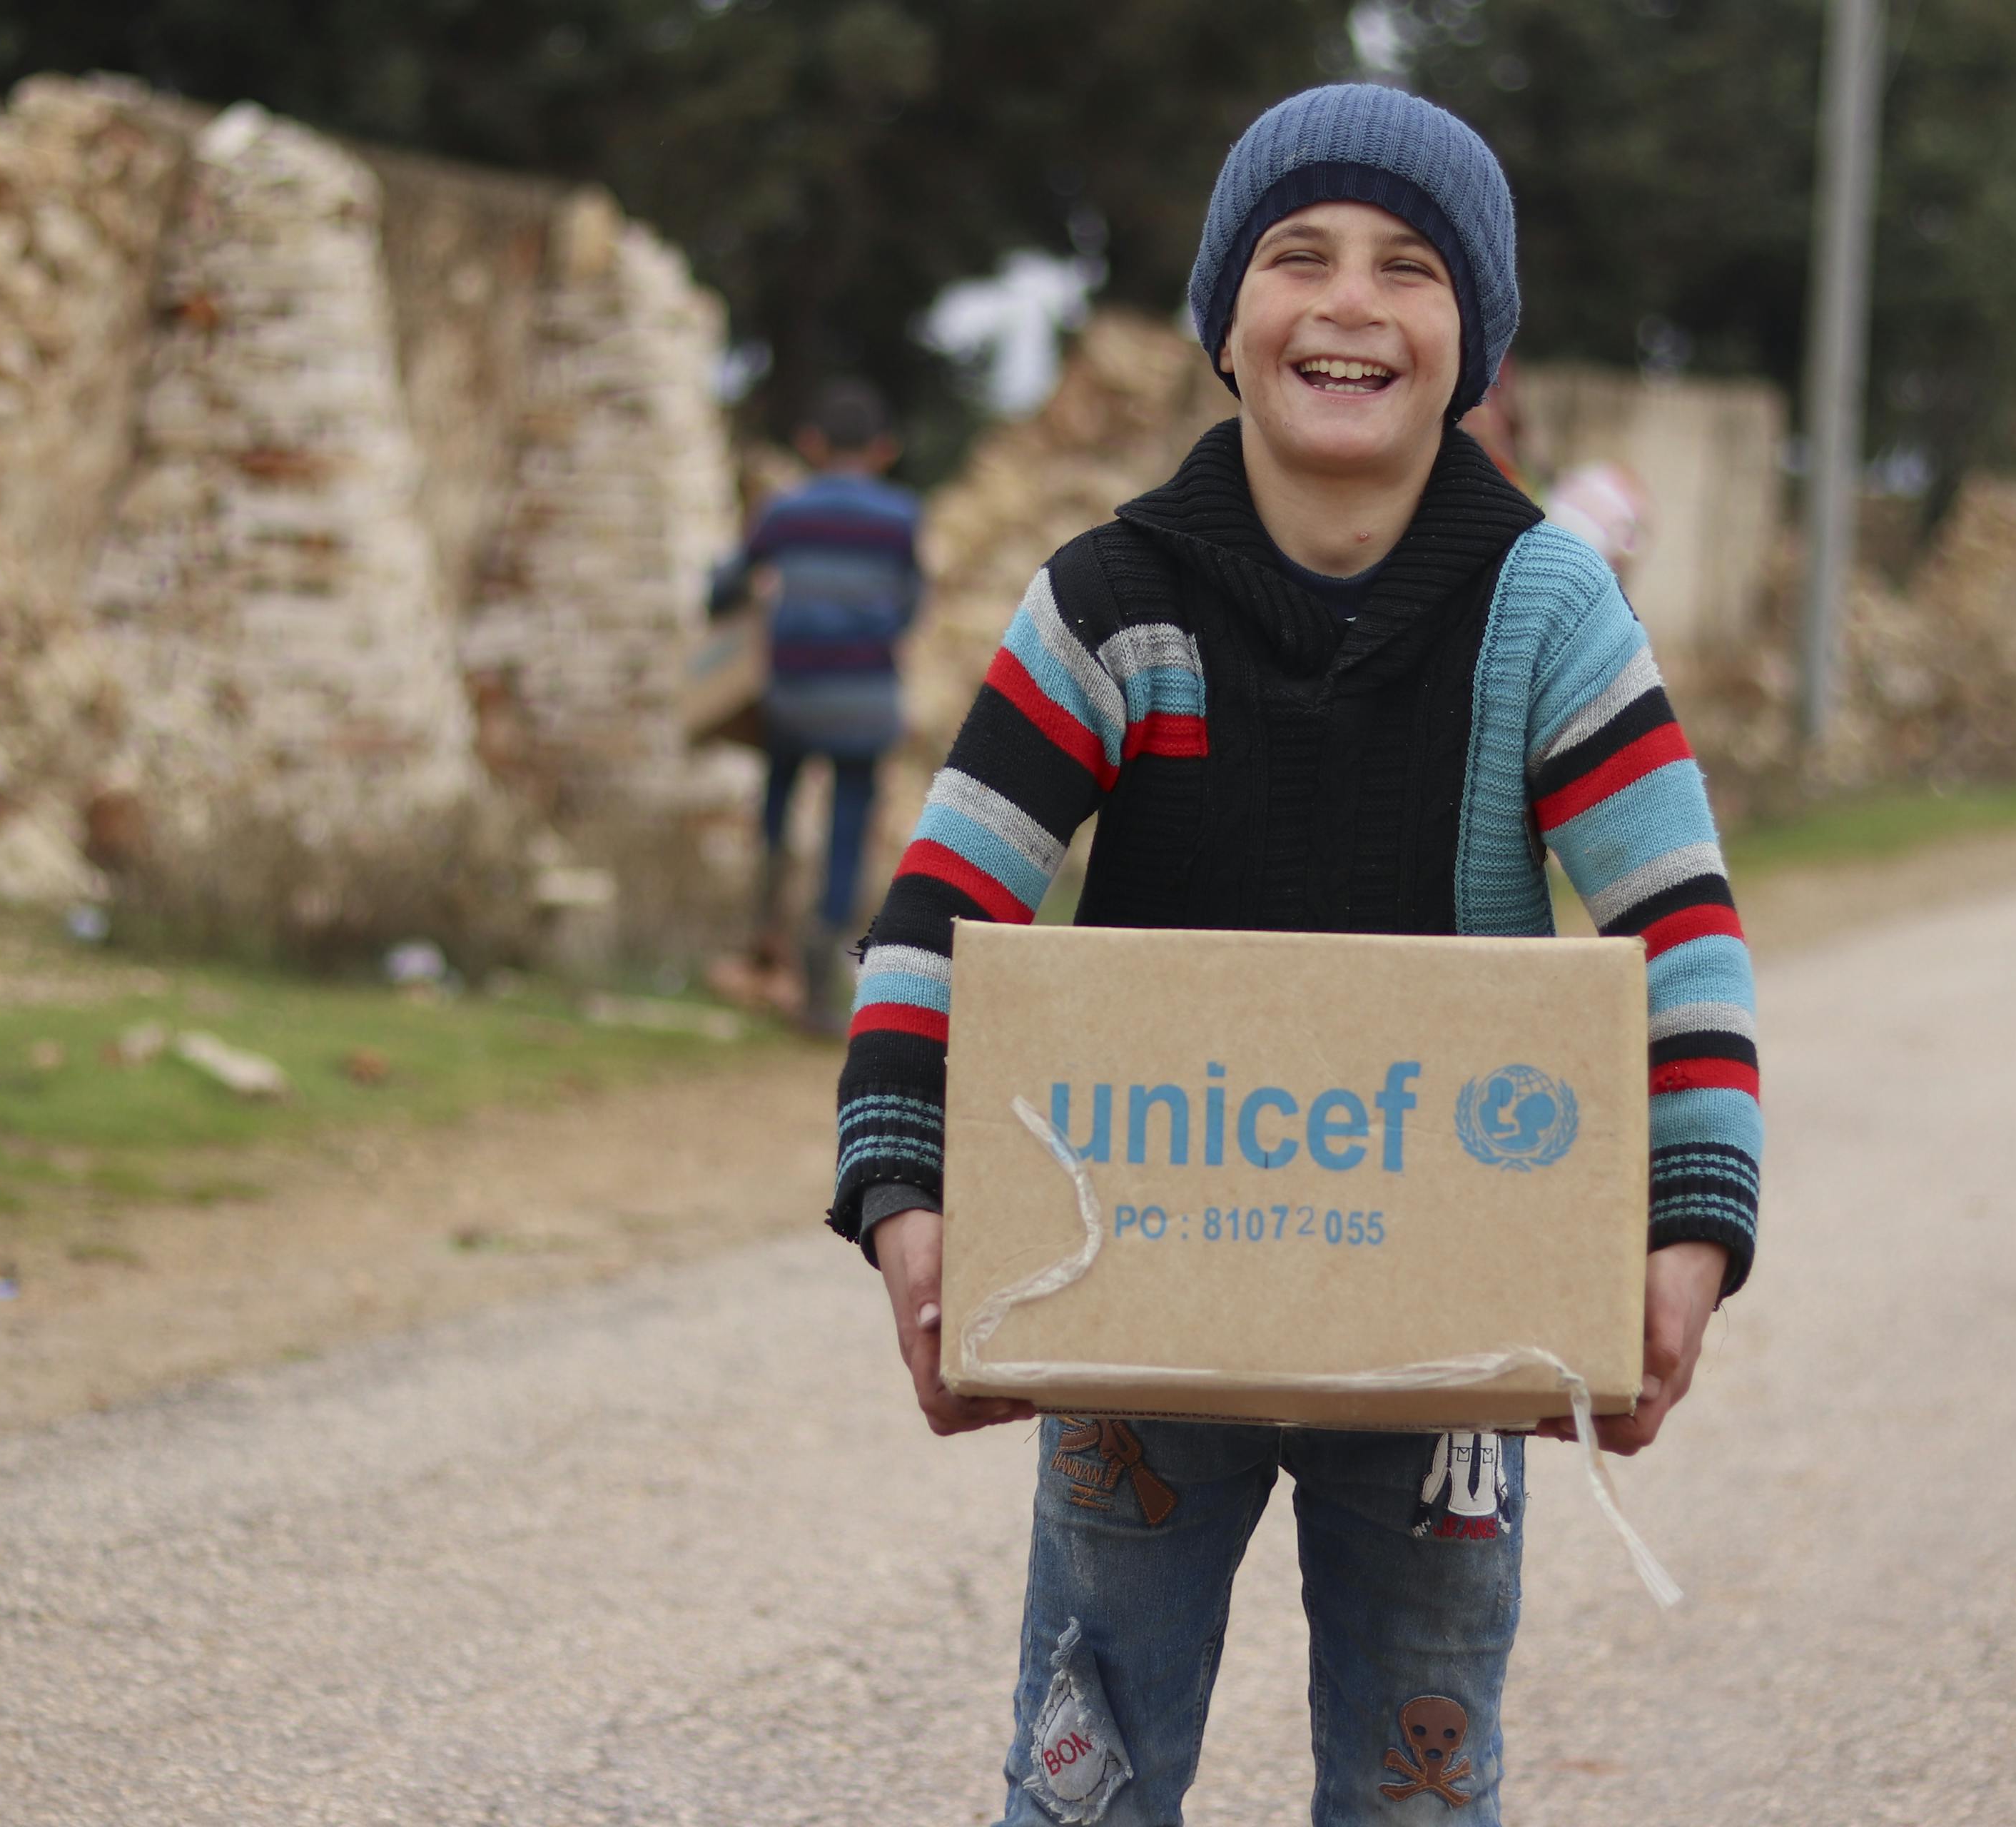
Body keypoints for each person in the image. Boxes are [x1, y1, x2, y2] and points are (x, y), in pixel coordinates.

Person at [829, 85, 1762, 1824]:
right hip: (1134, 1297)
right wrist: (906, 1202)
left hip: (1453, 1326)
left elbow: (1682, 932)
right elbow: (935, 917)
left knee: (1421, 1783)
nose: (1349, 302)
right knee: (1088, 1773)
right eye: (1297, 255)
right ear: (1223, 316)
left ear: (1476, 339)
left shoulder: (1550, 611)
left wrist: (1690, 1228)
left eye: (1411, 267)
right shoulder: (1111, 602)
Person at [706, 378, 921, 1029]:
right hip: (865, 701)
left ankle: (766, 933)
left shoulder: (785, 512)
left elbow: (724, 587)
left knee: (778, 800)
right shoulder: (900, 518)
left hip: (793, 699)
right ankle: (824, 981)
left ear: (810, 444)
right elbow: (911, 605)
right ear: (883, 449)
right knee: (847, 831)